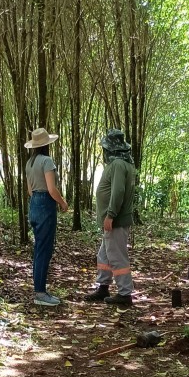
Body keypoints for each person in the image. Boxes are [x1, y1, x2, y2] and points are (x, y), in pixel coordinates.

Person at [84, 129, 136, 305]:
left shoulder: (119, 165)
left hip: (116, 220)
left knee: (116, 256)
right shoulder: (123, 164)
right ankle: (103, 287)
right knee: (104, 254)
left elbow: (118, 191)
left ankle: (125, 293)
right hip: (113, 220)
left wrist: (110, 215)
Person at [25, 128, 68, 306]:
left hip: (34, 203)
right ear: (46, 144)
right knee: (44, 250)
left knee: (39, 249)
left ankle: (39, 289)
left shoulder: (30, 162)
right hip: (45, 204)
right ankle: (40, 293)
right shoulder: (47, 161)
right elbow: (51, 189)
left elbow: (29, 190)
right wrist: (63, 202)